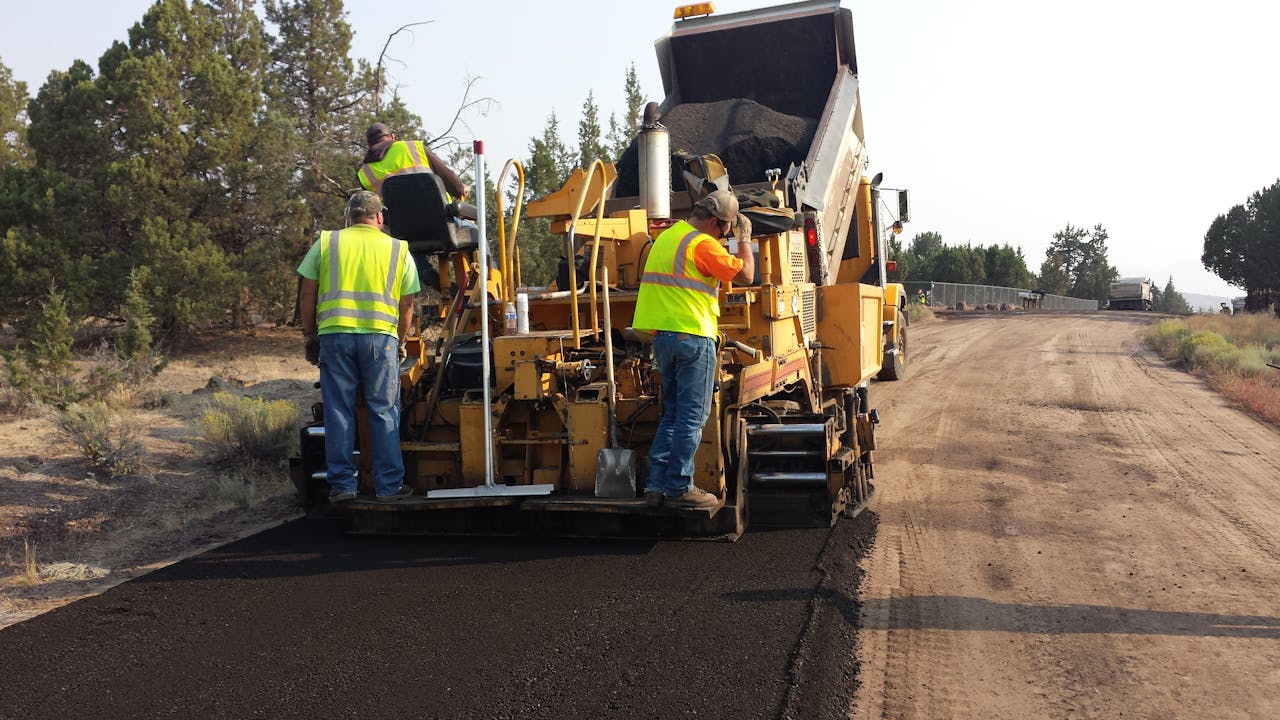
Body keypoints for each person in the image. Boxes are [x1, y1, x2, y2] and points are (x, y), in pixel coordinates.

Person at [632, 189, 754, 509]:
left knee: (672, 415)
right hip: (693, 338)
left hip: (664, 339)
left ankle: (656, 487)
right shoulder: (702, 244)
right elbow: (746, 274)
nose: (724, 235)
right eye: (725, 229)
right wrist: (744, 239)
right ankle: (680, 487)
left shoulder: (669, 237)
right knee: (691, 417)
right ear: (714, 222)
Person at [298, 191, 421, 504]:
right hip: (380, 339)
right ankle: (389, 487)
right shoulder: (398, 249)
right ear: (379, 217)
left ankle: (342, 485)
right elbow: (407, 304)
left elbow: (307, 295)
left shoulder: (326, 243)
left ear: (348, 217)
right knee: (384, 411)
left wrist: (310, 334)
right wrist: (401, 340)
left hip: (335, 337)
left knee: (339, 411)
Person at [358, 122, 468, 201]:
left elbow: (370, 206)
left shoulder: (365, 171)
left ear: (369, 145)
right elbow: (446, 176)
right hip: (441, 219)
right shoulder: (413, 147)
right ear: (392, 136)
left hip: (401, 228)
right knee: (470, 228)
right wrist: (460, 190)